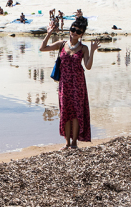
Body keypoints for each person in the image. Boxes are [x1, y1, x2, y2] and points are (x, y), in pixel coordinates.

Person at [39, 16, 98, 149]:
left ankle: (74, 143)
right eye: (73, 29)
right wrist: (48, 34)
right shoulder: (62, 44)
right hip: (64, 85)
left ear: (82, 34)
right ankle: (66, 143)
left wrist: (93, 51)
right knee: (65, 111)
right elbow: (42, 48)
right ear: (70, 29)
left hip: (78, 85)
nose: (75, 32)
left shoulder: (83, 48)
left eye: (78, 31)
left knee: (76, 112)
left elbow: (88, 66)